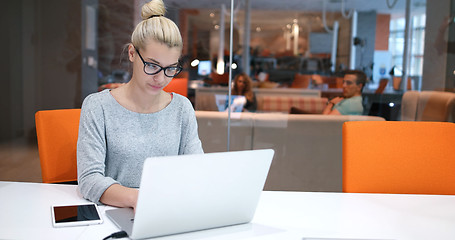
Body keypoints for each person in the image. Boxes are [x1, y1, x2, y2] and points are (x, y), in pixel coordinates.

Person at [77, 0, 203, 210]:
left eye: (170, 68)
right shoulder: (97, 107)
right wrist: (140, 199)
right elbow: (89, 180)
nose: (161, 79)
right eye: (152, 65)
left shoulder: (182, 108)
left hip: (167, 210)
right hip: (114, 214)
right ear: (132, 53)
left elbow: (196, 170)